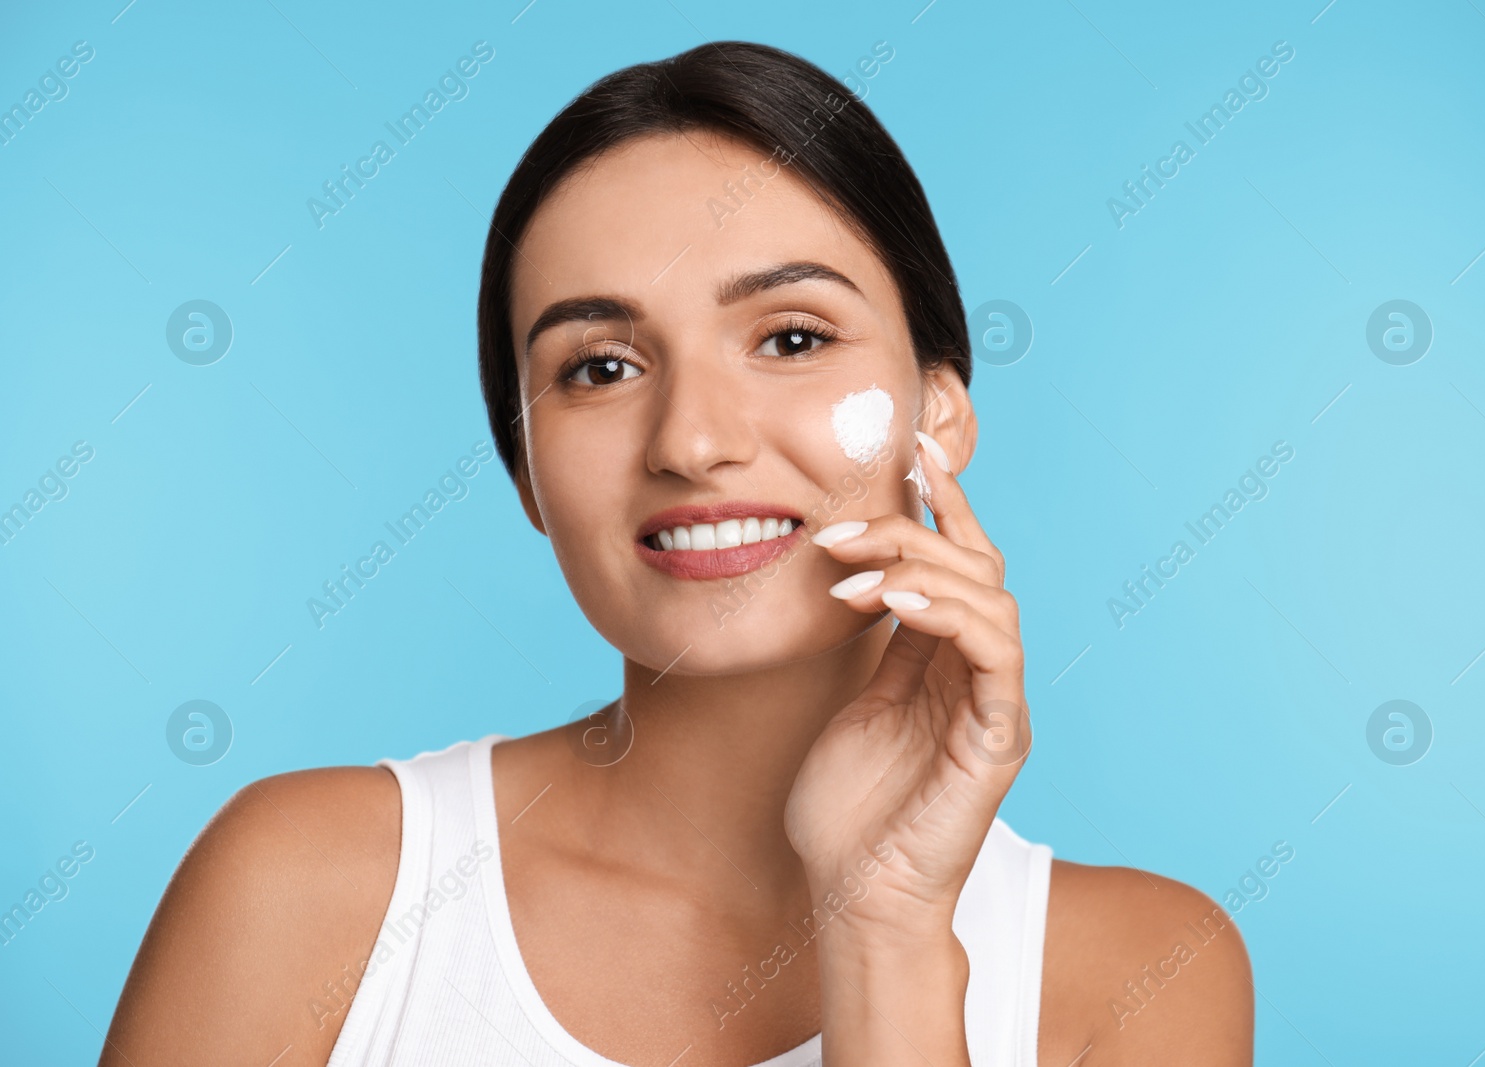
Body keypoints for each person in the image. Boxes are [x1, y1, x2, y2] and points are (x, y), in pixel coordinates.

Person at [102, 41, 1252, 1067]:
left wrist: (884, 925)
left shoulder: (1141, 973)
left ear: (937, 414)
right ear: (526, 475)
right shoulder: (308, 886)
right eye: (599, 367)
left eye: (792, 337)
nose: (694, 441)